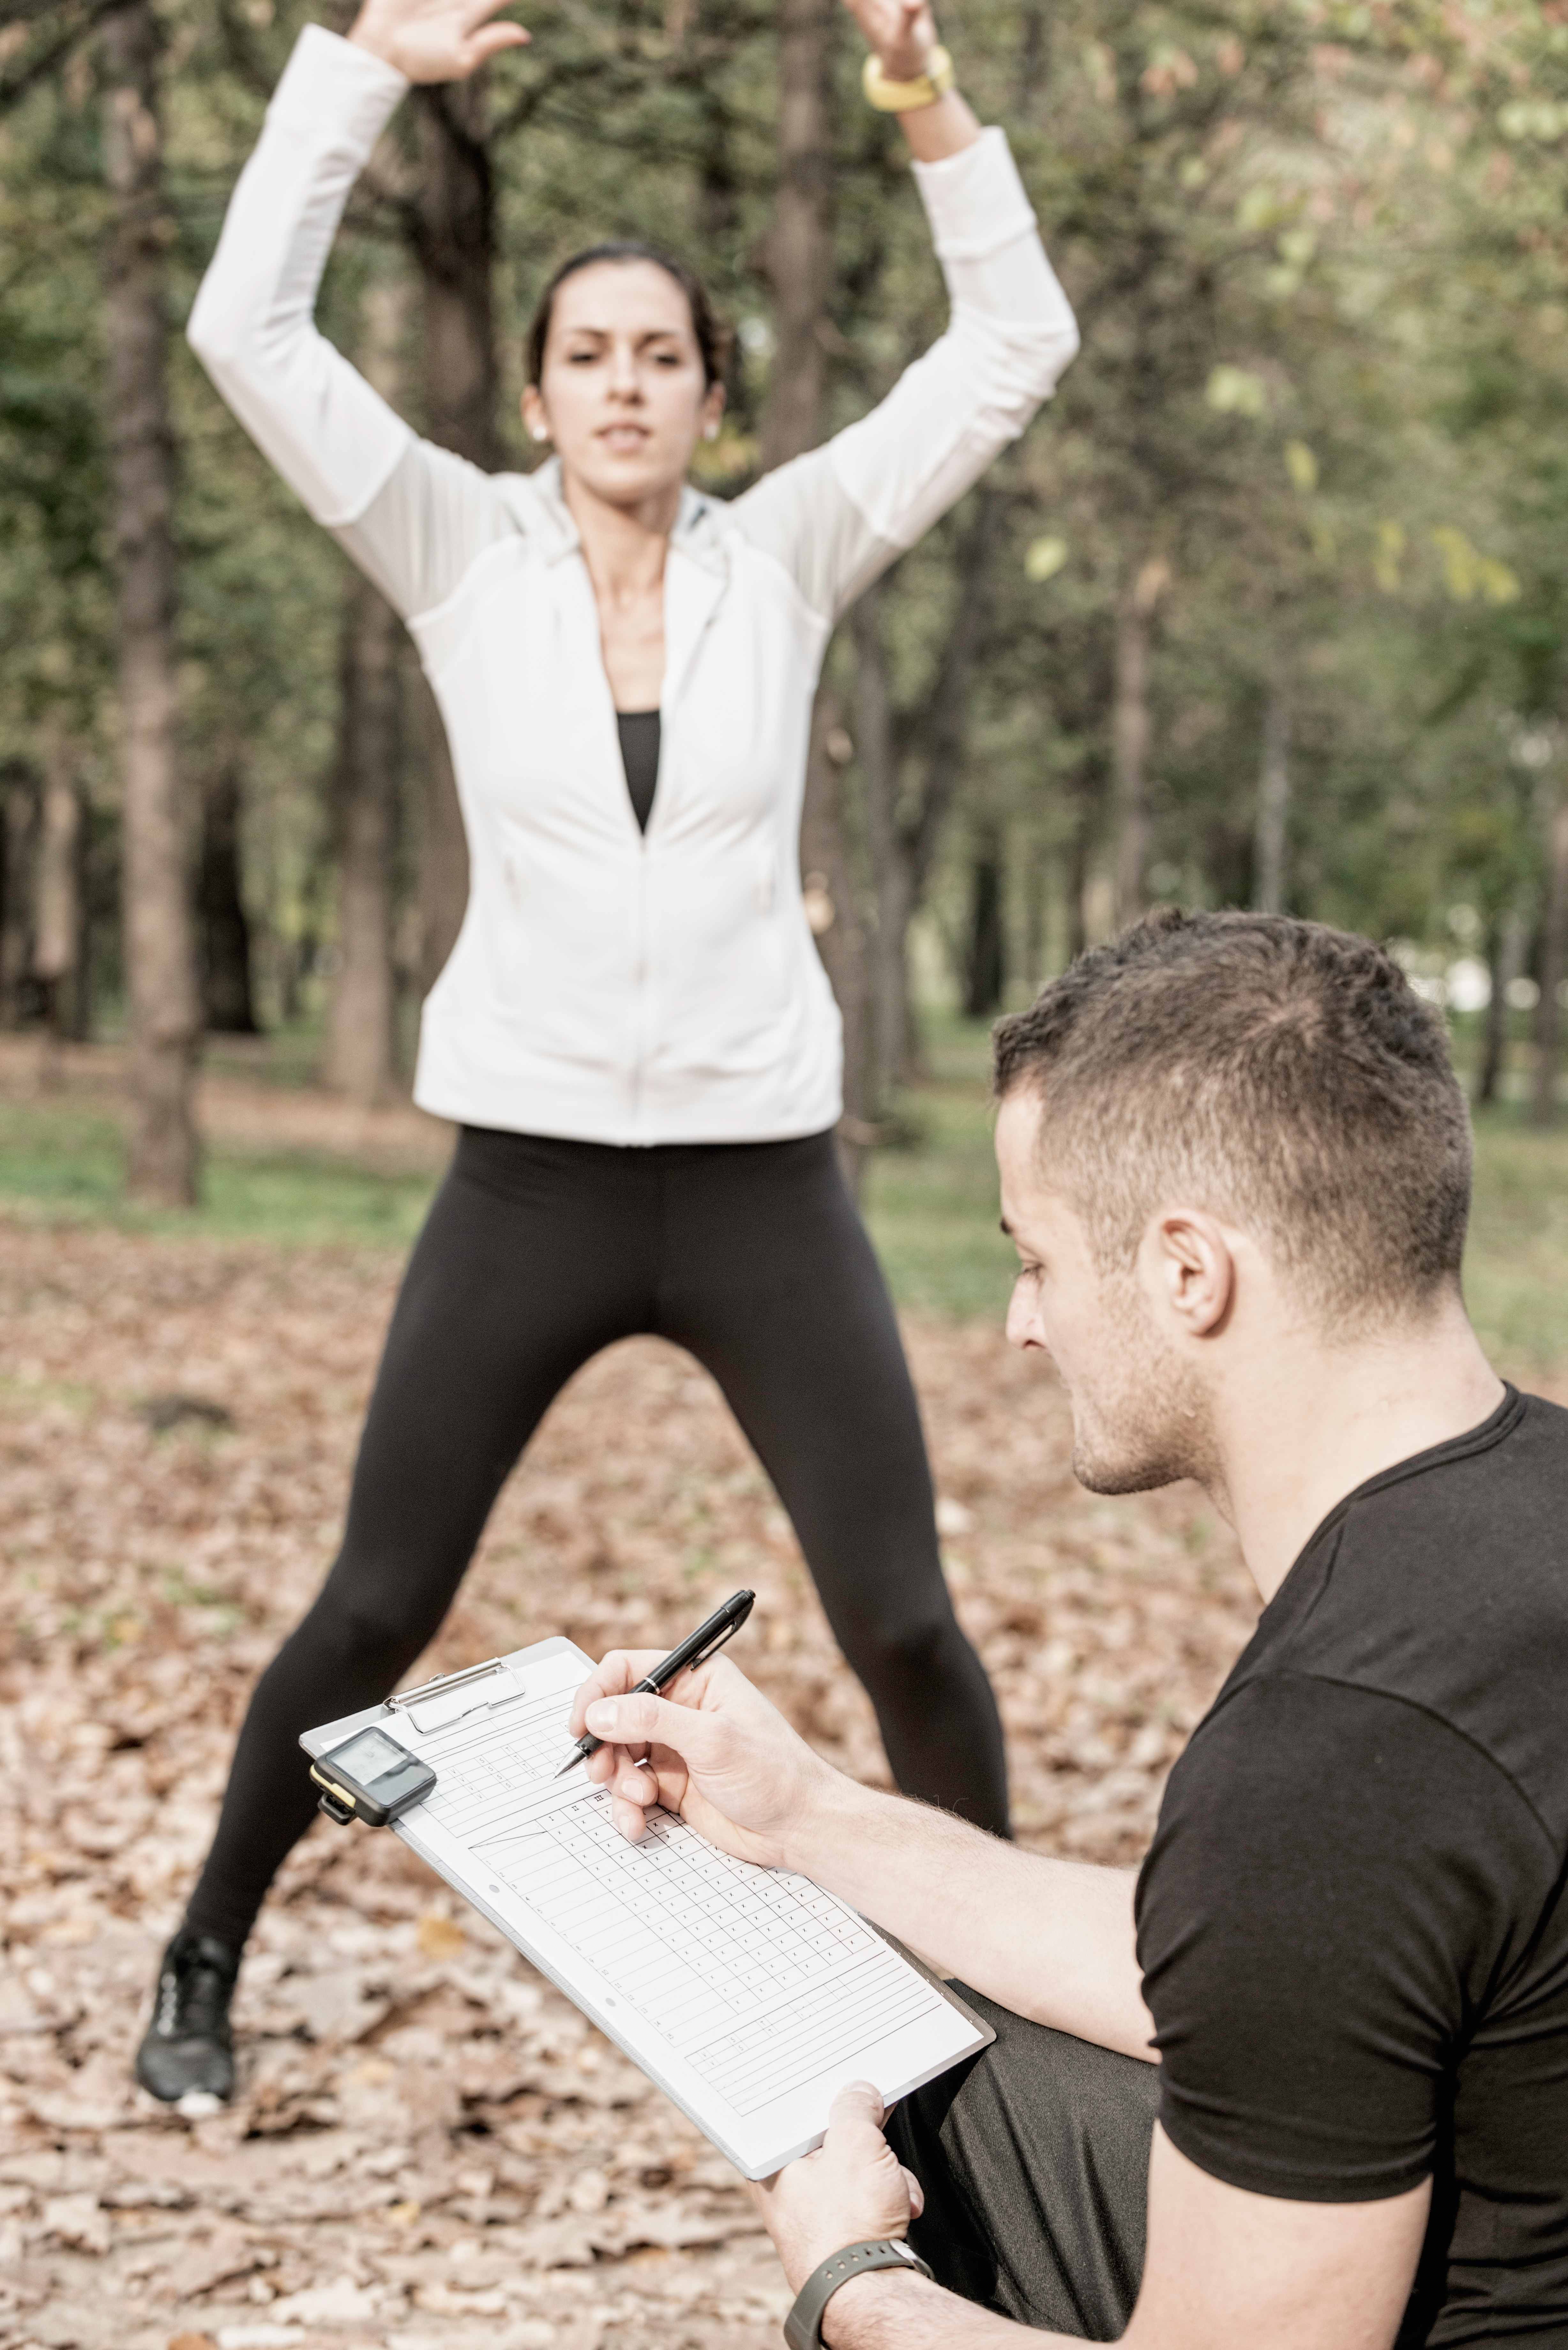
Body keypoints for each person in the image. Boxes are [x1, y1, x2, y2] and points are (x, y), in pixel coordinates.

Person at [134, 0, 1082, 2103]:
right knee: (375, 1601)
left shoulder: (796, 557)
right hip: (530, 1183)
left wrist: (926, 103)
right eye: (590, 354)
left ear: (710, 392)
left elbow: (1011, 349)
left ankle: (1020, 2019)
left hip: (762, 1183)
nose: (625, 384)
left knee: (906, 1628)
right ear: (543, 392)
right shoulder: (453, 549)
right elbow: (241, 331)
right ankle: (201, 1958)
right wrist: (360, 67)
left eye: (663, 353)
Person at [569, 910, 1568, 2349]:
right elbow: (1281, 1964)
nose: (1021, 1326)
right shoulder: (1522, 1518)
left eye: (1034, 1260)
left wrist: (855, 2290)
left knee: (915, 2147)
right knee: (960, 2059)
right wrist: (808, 1818)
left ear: (1186, 1273)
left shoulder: (1340, 1741)